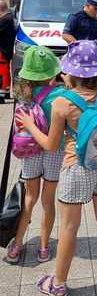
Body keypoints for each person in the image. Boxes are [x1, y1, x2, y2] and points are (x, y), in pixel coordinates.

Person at [17, 40, 97, 296]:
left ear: (72, 72)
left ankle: (59, 283)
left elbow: (51, 145)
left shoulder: (63, 103)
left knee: (69, 226)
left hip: (75, 168)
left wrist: (30, 125)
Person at [6, 46, 65, 264]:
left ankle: (17, 245)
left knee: (29, 198)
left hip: (30, 150)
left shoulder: (22, 94)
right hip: (54, 150)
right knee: (48, 200)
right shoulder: (60, 95)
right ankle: (43, 248)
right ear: (52, 72)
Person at [0, 0, 16, 94]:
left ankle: (3, 90)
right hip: (7, 48)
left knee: (3, 69)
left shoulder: (5, 19)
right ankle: (4, 89)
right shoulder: (9, 18)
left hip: (4, 49)